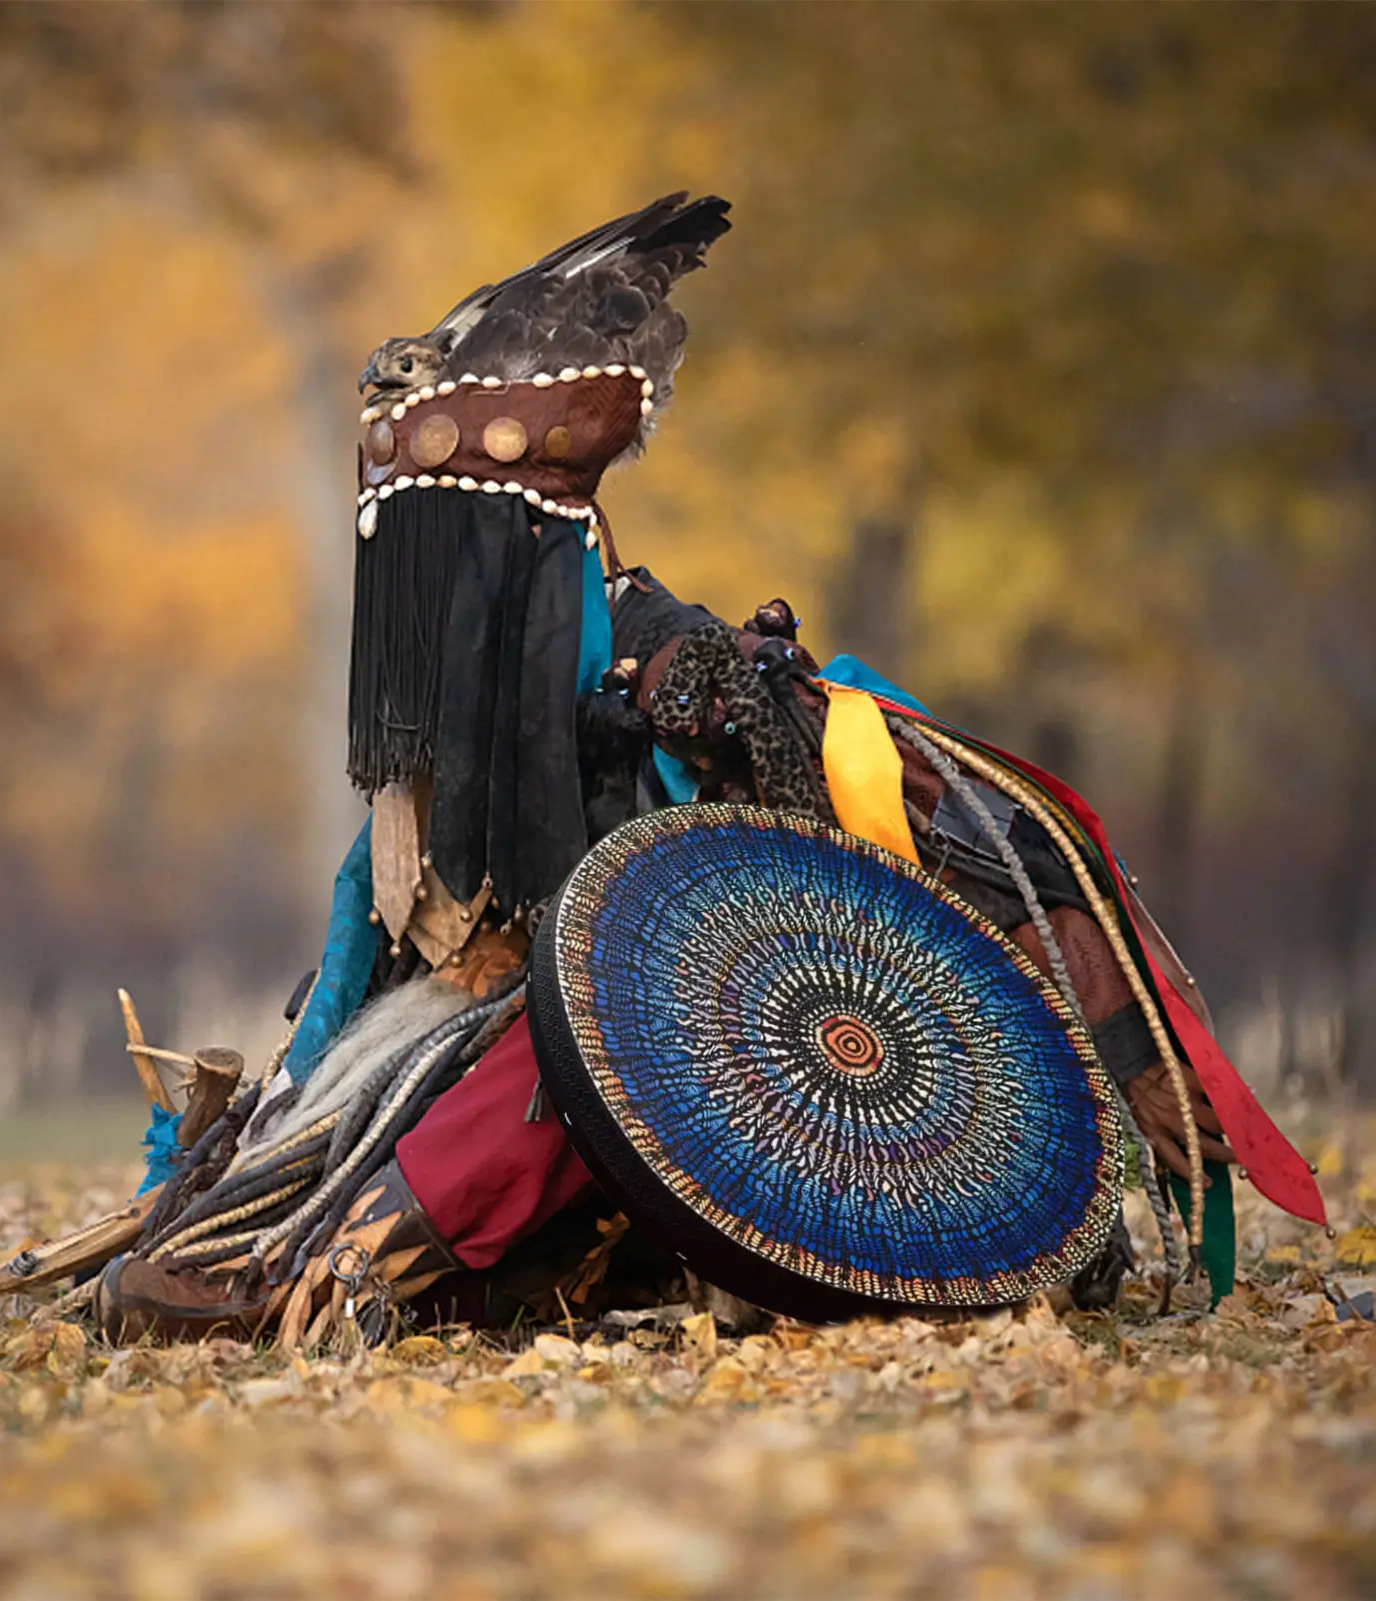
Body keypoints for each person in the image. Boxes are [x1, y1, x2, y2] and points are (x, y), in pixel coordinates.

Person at [89, 199, 1324, 1344]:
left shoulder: (681, 669)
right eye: (423, 561)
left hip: (767, 1073)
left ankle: (340, 1265)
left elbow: (943, 836)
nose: (447, 596)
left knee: (588, 1012)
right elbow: (361, 947)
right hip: (572, 1072)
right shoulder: (432, 774)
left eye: (469, 552)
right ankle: (263, 1238)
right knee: (504, 1029)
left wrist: (1119, 1031)